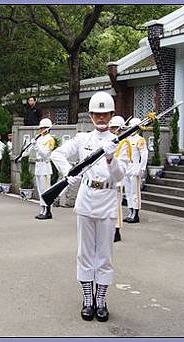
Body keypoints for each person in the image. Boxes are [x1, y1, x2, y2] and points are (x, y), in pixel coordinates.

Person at [51, 91, 125, 322]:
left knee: (104, 254)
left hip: (107, 199)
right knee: (85, 253)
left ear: (112, 115)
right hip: (86, 199)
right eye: (97, 114)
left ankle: (101, 299)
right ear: (91, 115)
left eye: (105, 114)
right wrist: (68, 173)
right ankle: (87, 299)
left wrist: (112, 159)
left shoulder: (117, 142)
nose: (101, 119)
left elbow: (120, 176)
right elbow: (58, 153)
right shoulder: (83, 139)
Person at [121, 117, 148, 224]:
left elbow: (144, 155)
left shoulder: (139, 139)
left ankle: (135, 214)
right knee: (128, 192)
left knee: (135, 192)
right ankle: (130, 212)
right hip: (126, 168)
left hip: (135, 168)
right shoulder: (126, 139)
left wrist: (141, 168)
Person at [29, 118, 56, 219]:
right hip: (38, 166)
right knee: (40, 190)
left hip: (45, 166)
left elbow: (45, 154)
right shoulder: (39, 139)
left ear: (48, 128)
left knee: (46, 190)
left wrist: (36, 146)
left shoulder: (50, 139)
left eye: (43, 128)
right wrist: (33, 144)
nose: (41, 130)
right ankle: (42, 209)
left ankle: (48, 211)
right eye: (41, 128)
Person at [109, 115, 127, 242]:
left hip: (118, 177)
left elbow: (122, 162)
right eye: (111, 128)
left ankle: (117, 230)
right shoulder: (111, 141)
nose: (112, 130)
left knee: (117, 205)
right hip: (108, 178)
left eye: (114, 128)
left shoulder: (124, 143)